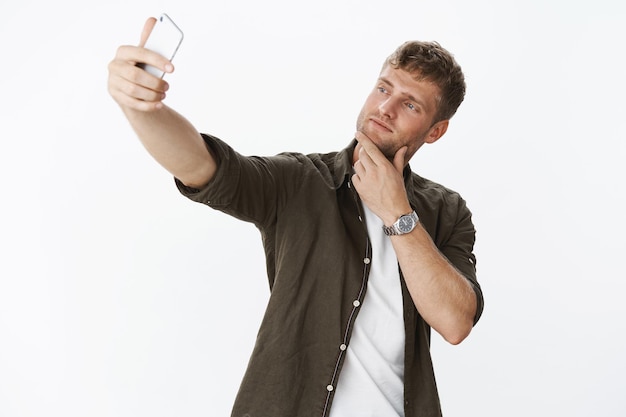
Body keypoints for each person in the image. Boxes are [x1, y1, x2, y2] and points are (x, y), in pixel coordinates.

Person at [108, 17, 484, 417]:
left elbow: (455, 322)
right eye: (383, 88)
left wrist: (397, 212)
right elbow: (204, 166)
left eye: (409, 104)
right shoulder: (299, 181)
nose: (385, 109)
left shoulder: (447, 211)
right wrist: (144, 109)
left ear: (435, 131)